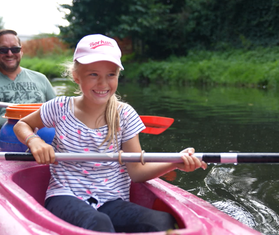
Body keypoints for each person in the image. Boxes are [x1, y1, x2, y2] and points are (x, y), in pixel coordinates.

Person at [13, 34, 207, 233]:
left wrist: (175, 161)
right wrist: (33, 140)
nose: (103, 83)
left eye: (111, 75)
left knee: (161, 222)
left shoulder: (125, 115)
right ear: (76, 76)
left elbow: (137, 172)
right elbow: (22, 125)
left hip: (111, 200)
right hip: (65, 196)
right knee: (99, 223)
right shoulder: (59, 107)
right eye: (93, 74)